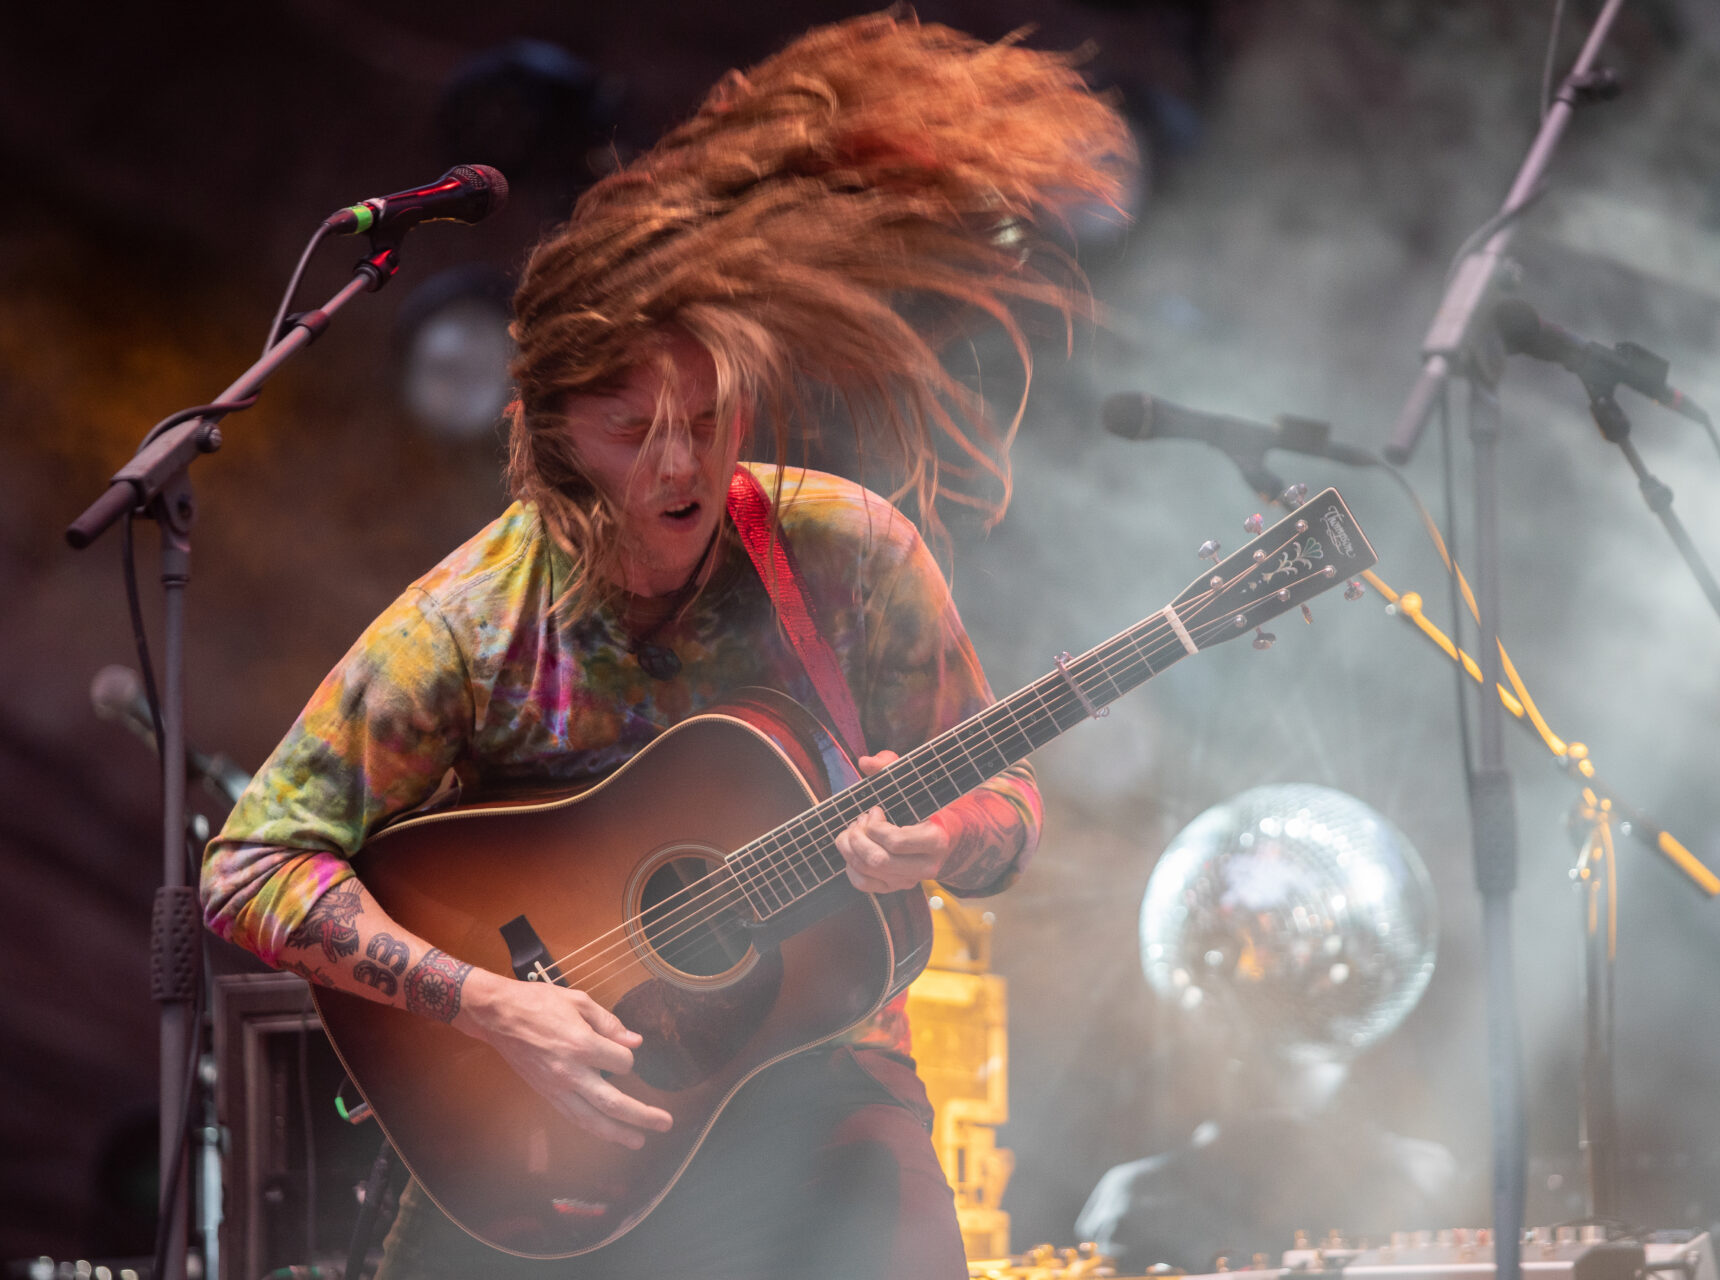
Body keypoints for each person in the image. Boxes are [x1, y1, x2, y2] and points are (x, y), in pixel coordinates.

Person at [201, 12, 1130, 1280]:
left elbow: (1005, 789)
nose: (685, 462)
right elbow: (249, 863)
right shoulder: (475, 616)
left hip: (820, 1071)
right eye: (637, 427)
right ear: (551, 430)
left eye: (708, 416)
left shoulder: (847, 550)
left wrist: (940, 837)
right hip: (554, 1122)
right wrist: (494, 1003)